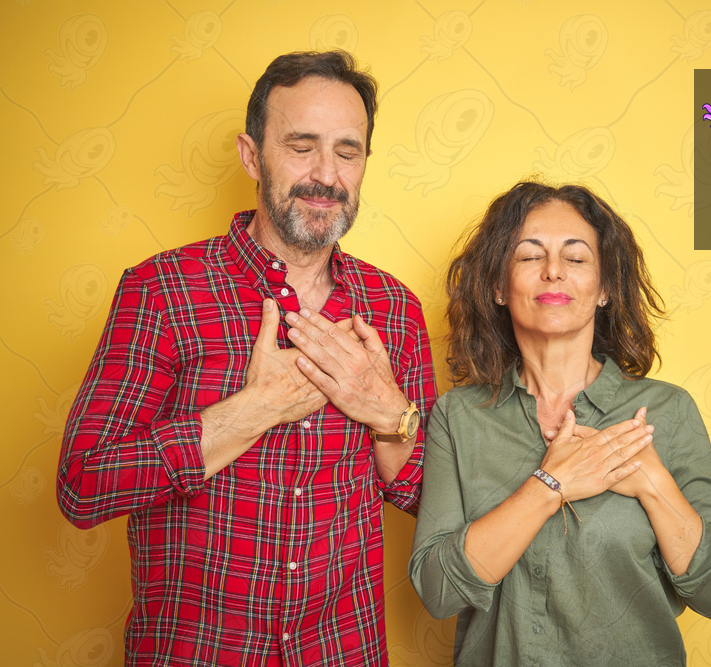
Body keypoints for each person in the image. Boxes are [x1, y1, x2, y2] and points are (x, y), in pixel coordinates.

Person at [57, 50, 436, 666]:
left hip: (342, 652)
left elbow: (432, 499)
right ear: (251, 155)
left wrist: (388, 412)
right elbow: (82, 486)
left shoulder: (394, 309)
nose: (327, 174)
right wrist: (248, 413)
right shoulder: (162, 291)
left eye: (348, 150)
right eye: (301, 145)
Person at [409, 181, 711, 666]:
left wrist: (653, 483)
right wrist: (551, 485)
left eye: (576, 258)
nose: (553, 272)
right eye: (529, 257)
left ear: (605, 287)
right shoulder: (458, 417)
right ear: (498, 287)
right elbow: (438, 592)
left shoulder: (667, 412)